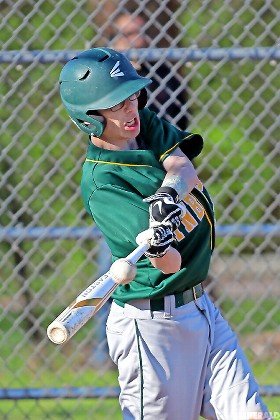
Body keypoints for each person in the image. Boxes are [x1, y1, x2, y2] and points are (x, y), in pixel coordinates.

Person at [59, 48, 271, 420]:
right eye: (117, 104)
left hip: (201, 309)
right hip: (152, 329)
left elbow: (183, 167)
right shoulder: (103, 183)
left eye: (132, 96)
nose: (130, 108)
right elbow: (169, 264)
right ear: (90, 119)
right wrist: (159, 240)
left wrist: (168, 193)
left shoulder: (143, 127)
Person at [111, 13, 189, 130]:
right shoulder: (105, 72)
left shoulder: (162, 72)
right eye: (130, 34)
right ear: (115, 39)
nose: (139, 38)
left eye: (143, 32)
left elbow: (179, 114)